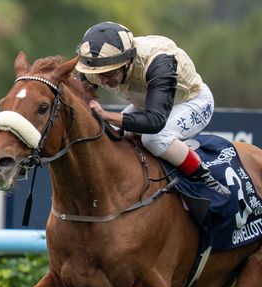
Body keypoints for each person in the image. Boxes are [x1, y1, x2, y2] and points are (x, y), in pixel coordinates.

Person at [76, 21, 230, 196]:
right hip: (148, 101)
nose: (102, 81)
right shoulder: (95, 63)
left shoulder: (159, 62)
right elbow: (78, 98)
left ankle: (206, 181)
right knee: (108, 132)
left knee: (154, 139)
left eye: (109, 73)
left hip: (191, 102)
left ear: (127, 61)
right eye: (97, 74)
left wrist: (106, 115)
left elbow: (155, 121)